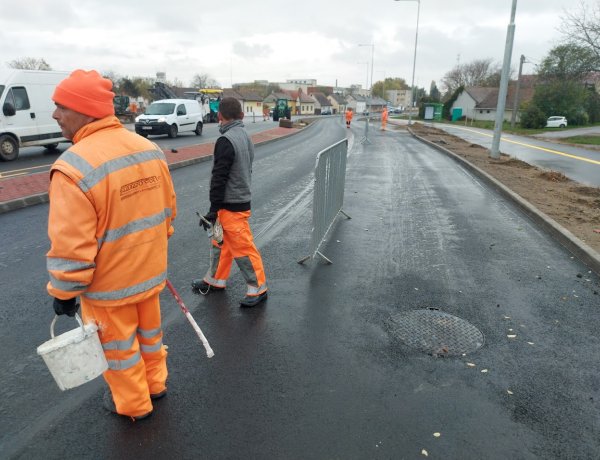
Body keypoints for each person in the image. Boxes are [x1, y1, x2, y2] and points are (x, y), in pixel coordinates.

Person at [46, 69, 177, 421]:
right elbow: (168, 212)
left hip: (109, 288)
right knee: (150, 338)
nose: (55, 114)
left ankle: (133, 406)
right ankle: (156, 385)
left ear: (84, 110)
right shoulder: (148, 149)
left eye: (61, 106)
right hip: (149, 275)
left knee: (119, 350)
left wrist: (63, 292)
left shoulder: (73, 166)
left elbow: (71, 245)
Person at [192, 97, 268, 308]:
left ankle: (258, 288)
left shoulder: (226, 141)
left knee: (242, 248)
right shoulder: (244, 135)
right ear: (241, 115)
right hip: (233, 203)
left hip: (229, 207)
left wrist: (213, 210)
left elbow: (219, 178)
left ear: (220, 116)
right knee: (219, 244)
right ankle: (215, 281)